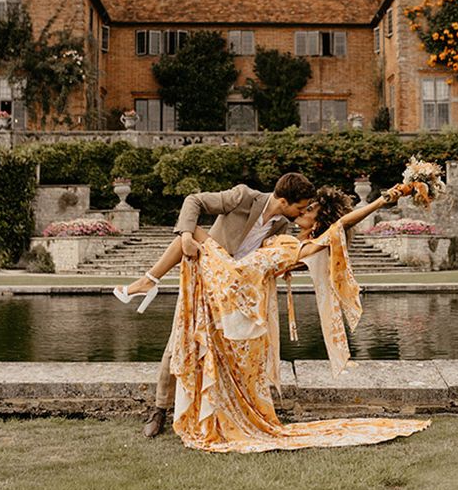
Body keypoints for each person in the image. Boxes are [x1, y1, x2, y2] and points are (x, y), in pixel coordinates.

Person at [169, 183, 431, 452]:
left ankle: (228, 422)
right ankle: (147, 280)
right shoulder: (283, 235)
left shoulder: (306, 246)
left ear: (319, 223)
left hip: (241, 304)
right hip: (231, 292)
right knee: (188, 237)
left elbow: (340, 224)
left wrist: (380, 202)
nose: (305, 211)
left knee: (234, 376)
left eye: (312, 210)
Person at [113, 172, 317, 437]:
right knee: (180, 341)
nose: (302, 212)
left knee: (225, 351)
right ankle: (160, 409)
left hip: (234, 288)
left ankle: (149, 281)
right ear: (283, 200)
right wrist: (187, 235)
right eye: (300, 207)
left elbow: (264, 258)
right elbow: (194, 201)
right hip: (207, 275)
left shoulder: (280, 225)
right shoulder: (243, 197)